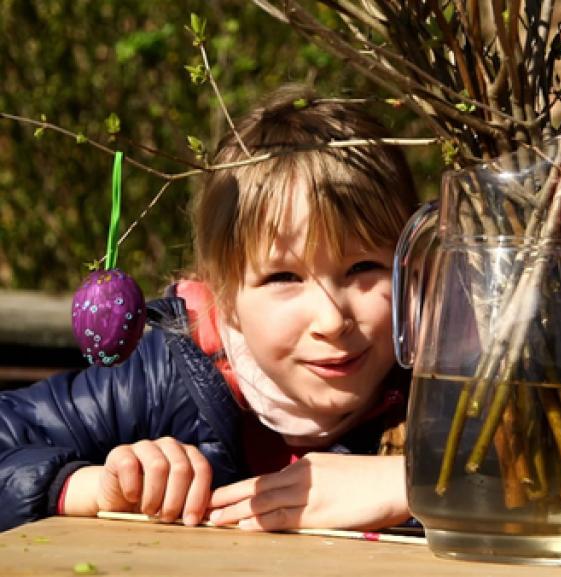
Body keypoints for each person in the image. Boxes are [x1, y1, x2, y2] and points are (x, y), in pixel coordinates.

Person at [0, 84, 418, 533]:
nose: (332, 320)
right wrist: (88, 485)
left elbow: (505, 484)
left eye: (363, 268)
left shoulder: (452, 381)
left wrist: (417, 486)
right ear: (224, 294)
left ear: (412, 266)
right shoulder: (165, 373)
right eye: (283, 278)